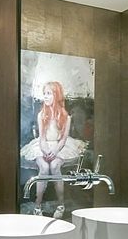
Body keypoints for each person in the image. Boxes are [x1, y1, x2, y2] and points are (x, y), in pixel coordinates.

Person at [19, 81, 87, 217]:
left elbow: (63, 139)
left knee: (55, 165)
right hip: (43, 145)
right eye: (44, 93)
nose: (45, 96)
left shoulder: (66, 117)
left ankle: (61, 204)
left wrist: (55, 151)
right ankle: (37, 205)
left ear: (56, 95)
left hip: (60, 146)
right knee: (44, 167)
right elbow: (42, 138)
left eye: (49, 93)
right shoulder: (41, 115)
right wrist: (45, 151)